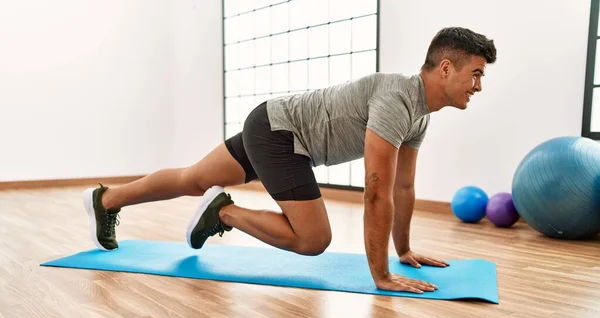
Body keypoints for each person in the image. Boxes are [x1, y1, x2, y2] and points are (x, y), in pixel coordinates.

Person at [82, 27, 496, 294]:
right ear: (446, 67)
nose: (478, 85)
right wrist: (381, 276)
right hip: (281, 135)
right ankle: (223, 213)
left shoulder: (418, 115)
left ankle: (106, 200)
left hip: (272, 122)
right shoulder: (396, 100)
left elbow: (403, 187)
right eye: (475, 73)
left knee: (192, 177)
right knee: (313, 239)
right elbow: (376, 191)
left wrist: (402, 250)